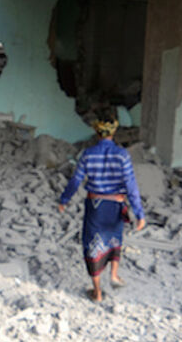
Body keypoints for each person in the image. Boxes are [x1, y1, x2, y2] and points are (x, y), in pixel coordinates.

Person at [57, 112, 146, 302]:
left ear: (97, 132)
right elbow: (131, 185)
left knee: (92, 245)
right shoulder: (123, 155)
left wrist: (64, 200)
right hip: (116, 205)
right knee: (114, 240)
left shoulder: (88, 154)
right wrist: (139, 213)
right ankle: (114, 276)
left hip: (96, 206)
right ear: (114, 132)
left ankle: (97, 292)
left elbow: (76, 181)